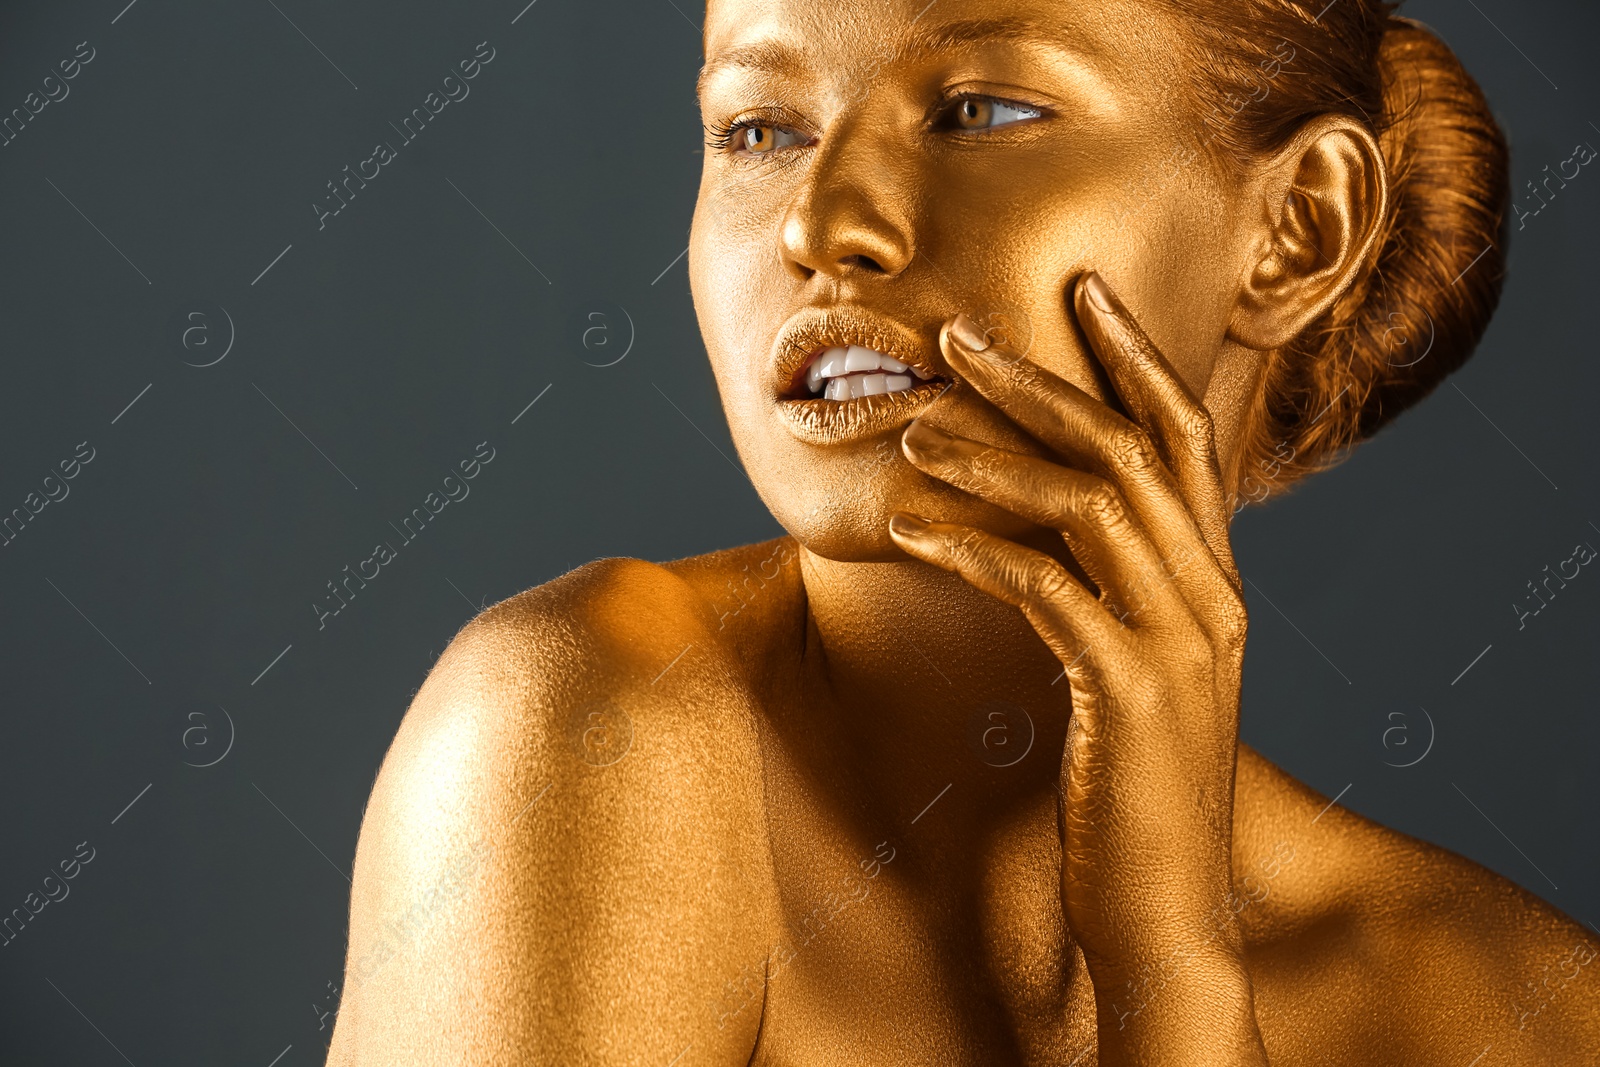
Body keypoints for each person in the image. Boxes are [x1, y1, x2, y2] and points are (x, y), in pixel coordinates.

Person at [327, 0, 1600, 1061]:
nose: (821, 226)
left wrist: (1172, 972)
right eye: (759, 127)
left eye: (978, 111)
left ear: (1295, 231)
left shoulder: (1509, 1007)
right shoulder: (587, 728)